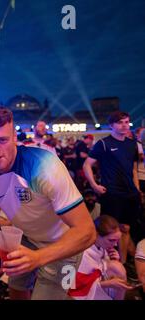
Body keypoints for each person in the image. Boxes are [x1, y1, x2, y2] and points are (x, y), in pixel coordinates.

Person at [0, 106, 96, 300]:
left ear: (15, 137)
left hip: (67, 247)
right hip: (25, 239)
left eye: (2, 140)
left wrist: (38, 258)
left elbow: (88, 232)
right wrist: (1, 237)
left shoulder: (45, 166)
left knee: (57, 295)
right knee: (16, 289)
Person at [83, 111, 143, 263]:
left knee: (126, 229)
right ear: (112, 125)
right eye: (120, 122)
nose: (124, 125)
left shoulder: (133, 144)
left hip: (130, 194)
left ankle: (121, 264)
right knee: (109, 231)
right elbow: (87, 165)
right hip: (112, 194)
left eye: (126, 122)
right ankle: (106, 263)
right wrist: (94, 185)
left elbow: (134, 169)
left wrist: (136, 189)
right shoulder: (103, 143)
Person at [68, 215, 133, 300]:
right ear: (97, 235)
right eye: (111, 240)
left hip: (96, 289)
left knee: (117, 267)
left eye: (117, 241)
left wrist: (114, 260)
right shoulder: (81, 252)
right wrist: (107, 284)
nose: (115, 244)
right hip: (77, 296)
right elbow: (68, 286)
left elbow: (101, 271)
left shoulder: (102, 249)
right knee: (116, 268)